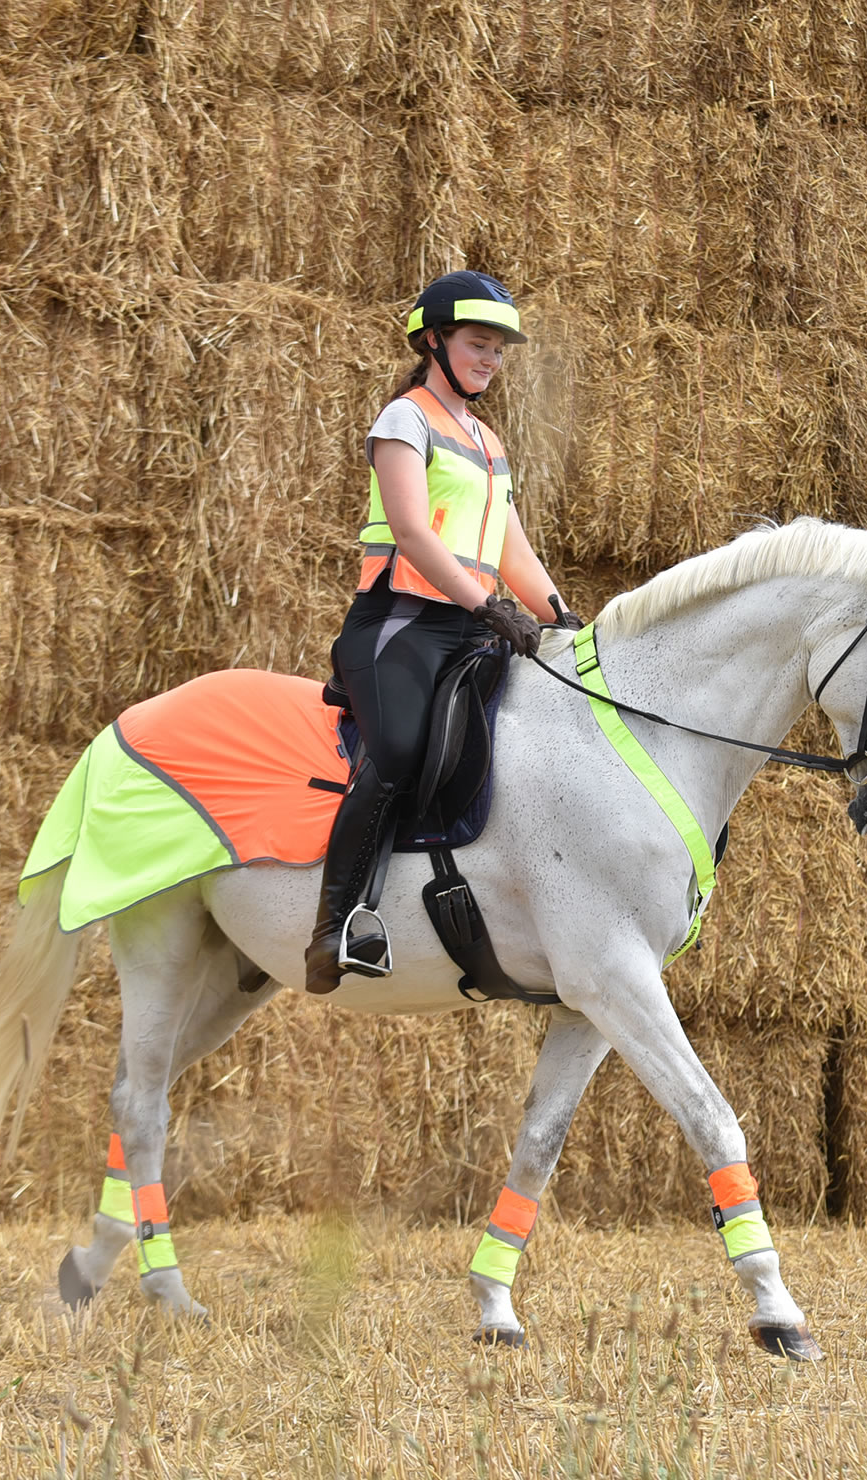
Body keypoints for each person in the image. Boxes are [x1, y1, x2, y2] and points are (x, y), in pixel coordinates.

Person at [305, 271, 582, 995]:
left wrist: (560, 616)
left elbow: (511, 548)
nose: (490, 360)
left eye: (497, 351)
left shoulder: (489, 441)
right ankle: (334, 926)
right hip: (400, 623)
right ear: (434, 341)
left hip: (470, 628)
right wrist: (484, 604)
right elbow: (410, 533)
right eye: (477, 344)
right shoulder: (406, 419)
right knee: (396, 756)